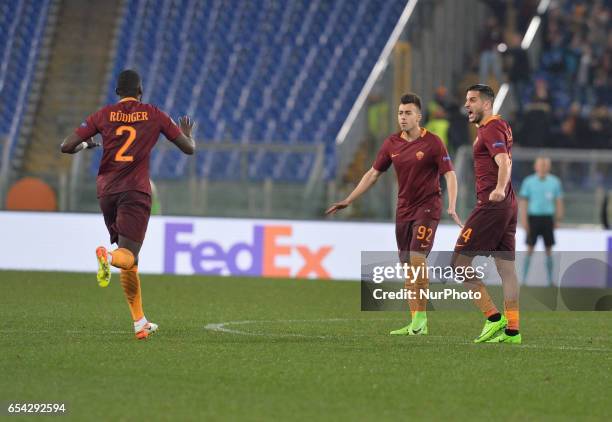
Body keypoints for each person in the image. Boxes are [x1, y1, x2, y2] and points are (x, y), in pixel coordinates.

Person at [60, 69, 195, 339]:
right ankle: (106, 257)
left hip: (107, 192)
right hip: (134, 190)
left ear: (117, 92)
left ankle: (139, 322)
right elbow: (189, 149)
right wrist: (187, 133)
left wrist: (87, 145)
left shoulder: (103, 114)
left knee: (130, 260)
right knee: (126, 256)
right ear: (140, 91)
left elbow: (66, 146)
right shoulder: (154, 113)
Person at [326, 93, 462, 336]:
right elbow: (372, 174)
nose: (403, 117)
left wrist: (452, 204)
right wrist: (349, 199)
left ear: (419, 116)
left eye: (408, 113)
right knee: (408, 266)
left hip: (428, 207)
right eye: (400, 113)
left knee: (418, 259)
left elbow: (450, 174)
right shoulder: (391, 144)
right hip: (403, 210)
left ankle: (421, 320)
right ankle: (417, 322)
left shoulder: (433, 142)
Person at [452, 84, 521, 344]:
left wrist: (499, 189)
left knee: (458, 264)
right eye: (466, 100)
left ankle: (493, 319)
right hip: (508, 205)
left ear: (487, 104)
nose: (467, 105)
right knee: (506, 269)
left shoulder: (491, 127)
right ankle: (513, 331)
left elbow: (504, 161)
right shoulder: (499, 126)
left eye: (472, 100)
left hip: (493, 204)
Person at [519, 157, 564, 286]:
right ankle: (524, 280)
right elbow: (524, 202)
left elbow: (559, 201)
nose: (543, 167)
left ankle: (550, 281)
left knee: (549, 249)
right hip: (533, 218)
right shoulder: (529, 182)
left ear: (549, 167)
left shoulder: (555, 182)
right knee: (529, 248)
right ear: (536, 166)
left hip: (548, 219)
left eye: (545, 165)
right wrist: (523, 220)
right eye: (541, 165)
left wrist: (558, 218)